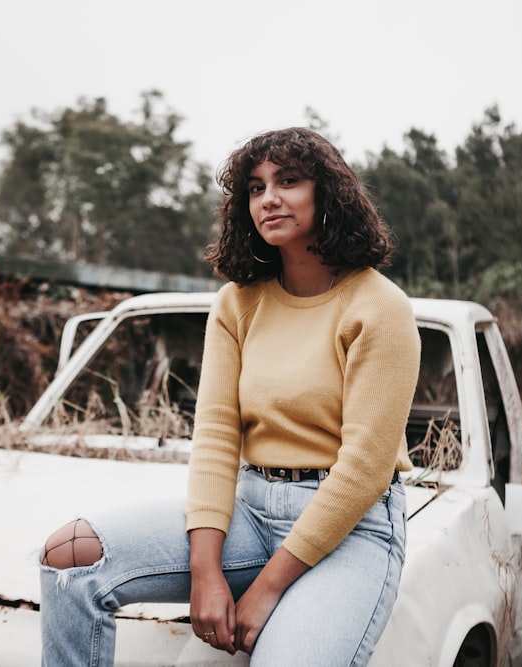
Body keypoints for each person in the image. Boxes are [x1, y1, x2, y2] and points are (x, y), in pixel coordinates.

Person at [38, 127, 421, 666]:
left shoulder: (379, 306)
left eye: (288, 181)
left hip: (351, 531)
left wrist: (263, 590)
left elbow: (364, 470)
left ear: (327, 193)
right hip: (251, 510)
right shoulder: (237, 304)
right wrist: (206, 572)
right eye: (256, 187)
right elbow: (216, 437)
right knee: (68, 562)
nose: (269, 198)